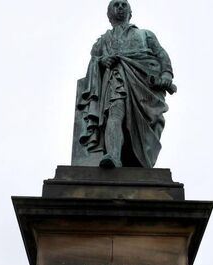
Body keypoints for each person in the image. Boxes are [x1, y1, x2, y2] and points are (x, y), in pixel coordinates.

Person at [75, 0, 175, 168]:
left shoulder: (145, 34)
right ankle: (113, 156)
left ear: (130, 12)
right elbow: (93, 64)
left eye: (124, 4)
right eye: (116, 5)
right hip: (116, 79)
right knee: (114, 113)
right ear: (109, 14)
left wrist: (166, 74)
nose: (120, 7)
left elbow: (161, 54)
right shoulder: (102, 41)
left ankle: (140, 158)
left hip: (144, 85)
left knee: (151, 123)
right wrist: (102, 60)